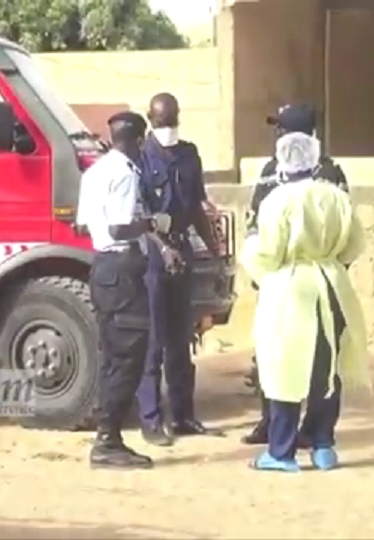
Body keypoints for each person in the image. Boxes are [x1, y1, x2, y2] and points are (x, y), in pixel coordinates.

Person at [241, 131, 368, 472]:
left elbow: (267, 251)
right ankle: (323, 444)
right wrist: (332, 264)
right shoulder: (335, 197)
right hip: (330, 285)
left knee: (283, 368)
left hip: (290, 287)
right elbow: (355, 243)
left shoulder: (277, 201)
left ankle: (281, 452)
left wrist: (252, 258)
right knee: (325, 370)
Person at [75, 111, 179, 470]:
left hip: (103, 269)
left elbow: (81, 223)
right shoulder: (123, 174)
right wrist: (154, 222)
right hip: (121, 270)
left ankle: (109, 437)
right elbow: (120, 229)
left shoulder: (95, 171)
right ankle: (108, 441)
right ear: (137, 140)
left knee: (113, 356)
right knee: (129, 357)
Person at [135, 92, 222, 446]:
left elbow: (196, 208)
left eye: (172, 121)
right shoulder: (140, 159)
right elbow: (139, 217)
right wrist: (163, 247)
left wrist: (212, 248)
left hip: (183, 251)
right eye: (161, 122)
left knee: (181, 341)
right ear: (150, 119)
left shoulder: (188, 155)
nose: (167, 128)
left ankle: (183, 415)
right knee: (153, 341)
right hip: (153, 256)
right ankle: (151, 420)